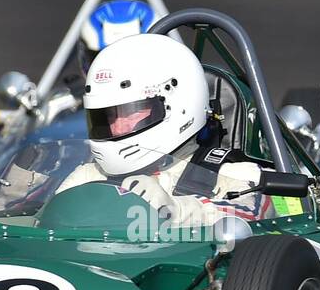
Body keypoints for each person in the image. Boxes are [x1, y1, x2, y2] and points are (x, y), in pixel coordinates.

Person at [57, 32, 271, 229]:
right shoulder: (90, 174)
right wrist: (26, 183)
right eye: (107, 116)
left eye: (130, 113)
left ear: (177, 105)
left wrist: (176, 210)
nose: (117, 126)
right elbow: (43, 220)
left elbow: (255, 212)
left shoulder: (231, 172)